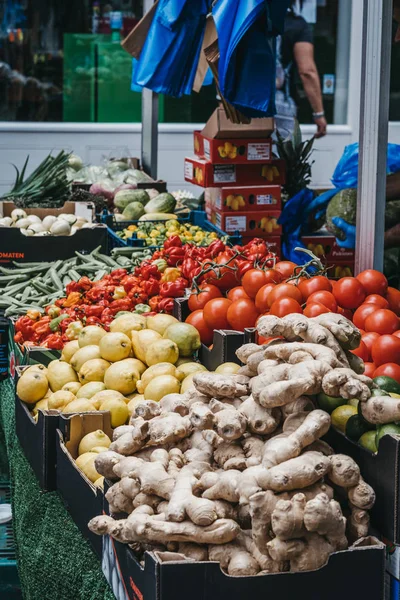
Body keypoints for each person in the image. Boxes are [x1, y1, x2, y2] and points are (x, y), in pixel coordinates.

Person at [275, 1, 327, 140]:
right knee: (279, 158)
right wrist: (318, 114)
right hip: (280, 107)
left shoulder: (249, 21)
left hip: (245, 104)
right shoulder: (296, 25)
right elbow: (307, 72)